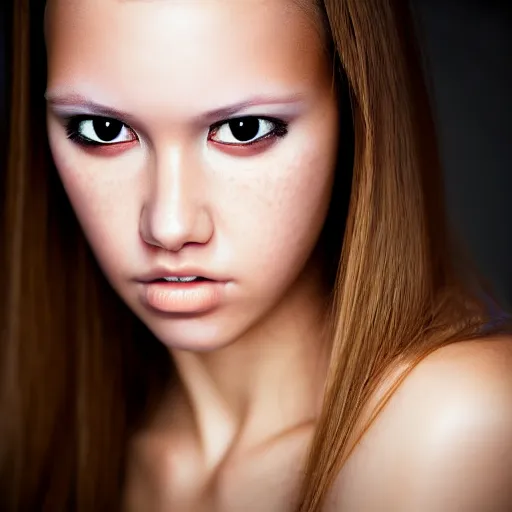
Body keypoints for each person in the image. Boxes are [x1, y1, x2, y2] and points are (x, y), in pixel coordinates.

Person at [2, 0, 512, 510]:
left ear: (355, 115)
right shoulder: (55, 448)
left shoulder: (452, 426)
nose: (170, 226)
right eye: (103, 131)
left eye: (243, 130)